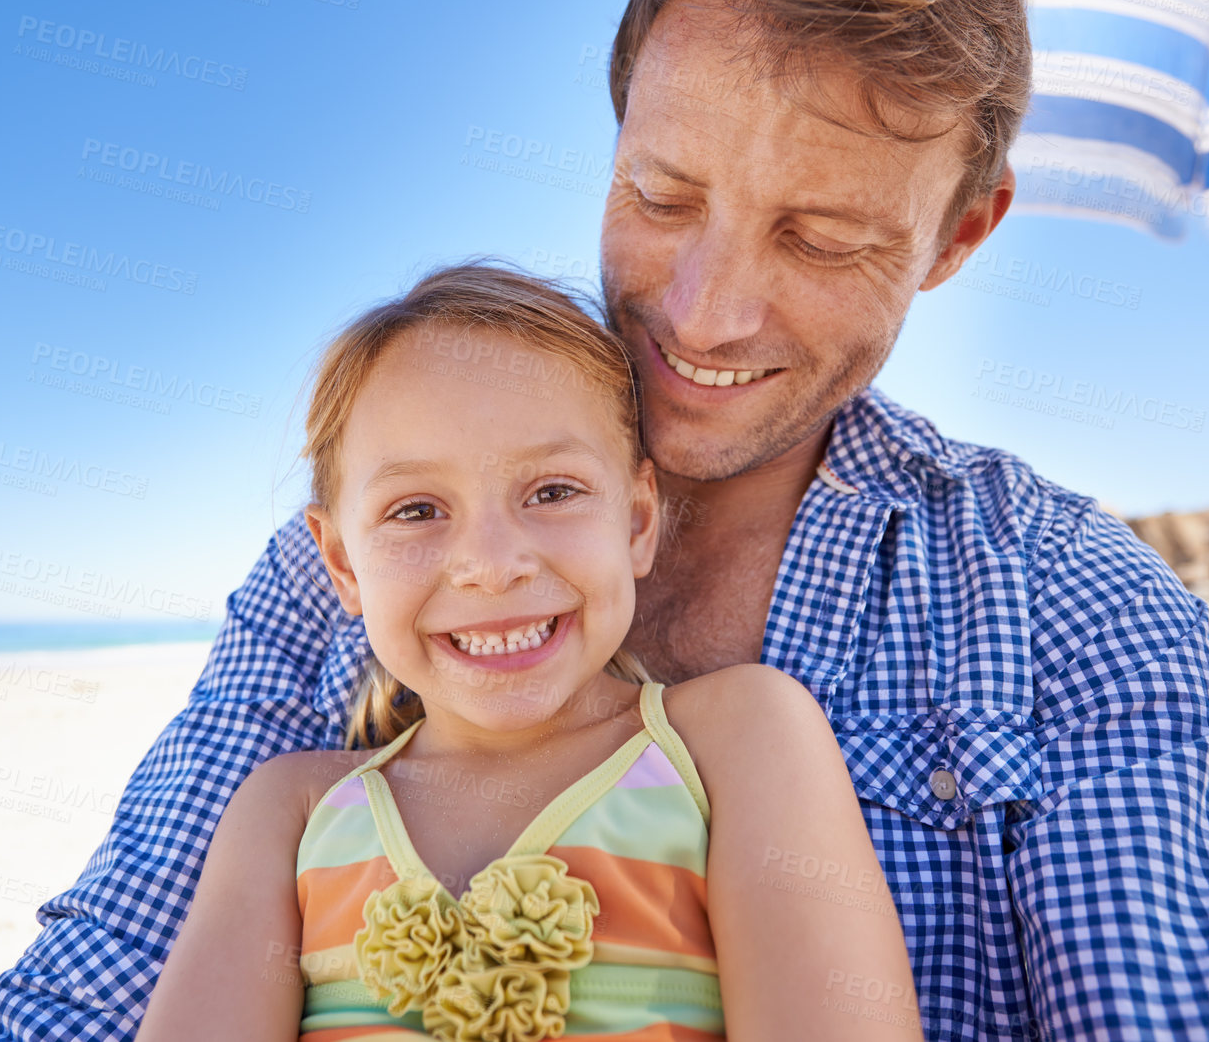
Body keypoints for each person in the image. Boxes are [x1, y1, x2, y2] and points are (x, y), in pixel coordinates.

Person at [0, 0, 1209, 1042]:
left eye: (823, 238)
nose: (708, 311)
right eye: (663, 196)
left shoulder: (1073, 611)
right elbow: (107, 972)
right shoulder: (338, 580)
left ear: (956, 238)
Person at [132, 264, 921, 1040]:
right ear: (341, 565)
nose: (492, 563)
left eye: (551, 492)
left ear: (638, 521)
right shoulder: (289, 810)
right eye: (416, 510)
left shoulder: (737, 735)